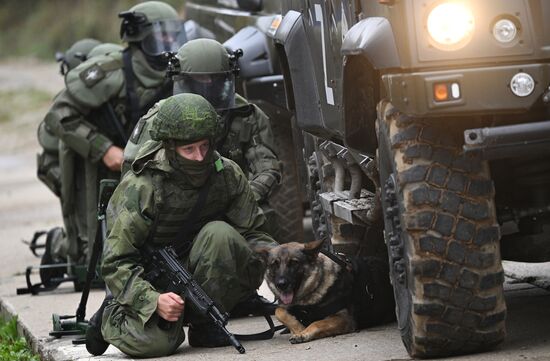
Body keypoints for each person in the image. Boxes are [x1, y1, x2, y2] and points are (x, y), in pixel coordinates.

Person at [85, 93, 278, 357]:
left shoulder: (227, 174)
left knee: (220, 234)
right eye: (189, 149)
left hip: (195, 270)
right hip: (148, 281)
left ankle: (205, 325)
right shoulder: (142, 186)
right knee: (159, 344)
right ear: (170, 147)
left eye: (204, 146)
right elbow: (115, 261)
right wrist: (153, 301)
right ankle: (110, 318)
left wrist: (286, 262)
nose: (199, 157)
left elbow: (254, 232)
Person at [42, 1, 187, 269]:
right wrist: (104, 149)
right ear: (138, 37)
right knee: (97, 259)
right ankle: (58, 243)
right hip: (106, 173)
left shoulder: (180, 70)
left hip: (159, 169)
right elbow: (58, 116)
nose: (169, 41)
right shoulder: (110, 72)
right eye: (160, 34)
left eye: (173, 33)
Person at [123, 38, 281, 234]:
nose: (208, 86)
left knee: (266, 215)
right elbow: (132, 170)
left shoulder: (247, 115)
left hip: (233, 202)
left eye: (215, 79)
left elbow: (268, 169)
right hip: (176, 208)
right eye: (200, 80)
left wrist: (242, 199)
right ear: (181, 80)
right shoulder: (162, 118)